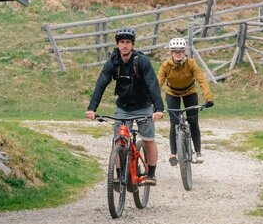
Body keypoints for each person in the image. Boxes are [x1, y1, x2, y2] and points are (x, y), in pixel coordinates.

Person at [85, 27, 164, 185]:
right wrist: (92, 108)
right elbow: (101, 85)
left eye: (128, 42)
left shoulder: (142, 61)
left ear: (132, 44)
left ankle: (151, 174)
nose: (125, 45)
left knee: (148, 140)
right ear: (118, 44)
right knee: (119, 141)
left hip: (143, 106)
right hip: (123, 107)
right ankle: (119, 176)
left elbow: (152, 85)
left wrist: (158, 109)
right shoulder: (113, 62)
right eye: (122, 42)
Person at [157, 37, 214, 165]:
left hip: (190, 92)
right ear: (171, 52)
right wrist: (153, 102)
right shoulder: (165, 65)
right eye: (175, 51)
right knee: (174, 122)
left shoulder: (191, 63)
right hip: (172, 93)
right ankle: (173, 153)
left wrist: (208, 97)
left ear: (184, 52)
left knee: (193, 121)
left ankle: (198, 152)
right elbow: (157, 84)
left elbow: (202, 80)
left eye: (181, 51)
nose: (178, 53)